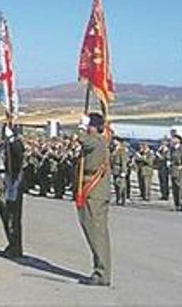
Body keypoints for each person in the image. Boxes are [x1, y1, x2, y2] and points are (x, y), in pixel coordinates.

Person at [75, 113, 112, 287]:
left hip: (94, 192)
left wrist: (81, 128)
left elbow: (84, 140)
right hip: (92, 191)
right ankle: (100, 270)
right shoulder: (97, 140)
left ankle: (101, 272)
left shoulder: (97, 140)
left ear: (94, 127)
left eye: (89, 125)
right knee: (94, 232)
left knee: (96, 233)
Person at [0, 127, 24, 259]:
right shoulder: (3, 145)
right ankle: (11, 243)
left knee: (14, 216)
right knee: (6, 214)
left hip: (14, 180)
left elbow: (18, 155)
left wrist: (13, 140)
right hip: (4, 180)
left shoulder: (16, 144)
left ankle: (16, 246)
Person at [169, 134, 182, 211]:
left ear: (178, 140)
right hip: (173, 170)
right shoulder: (172, 149)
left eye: (174, 139)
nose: (172, 140)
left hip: (180, 171)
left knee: (181, 188)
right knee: (174, 188)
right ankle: (176, 204)